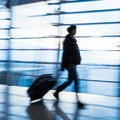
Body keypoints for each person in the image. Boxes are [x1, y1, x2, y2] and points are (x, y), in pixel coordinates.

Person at [53, 25, 84, 108]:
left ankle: (57, 92)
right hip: (69, 63)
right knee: (76, 81)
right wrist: (63, 65)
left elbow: (74, 52)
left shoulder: (73, 40)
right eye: (75, 30)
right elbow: (65, 53)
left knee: (70, 81)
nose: (76, 31)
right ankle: (78, 102)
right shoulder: (67, 41)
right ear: (72, 31)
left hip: (73, 63)